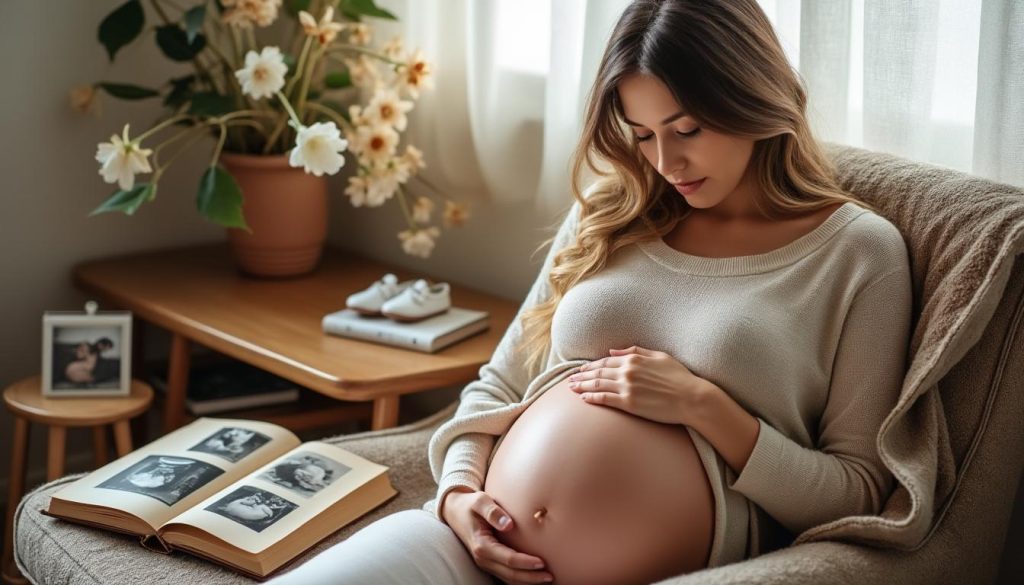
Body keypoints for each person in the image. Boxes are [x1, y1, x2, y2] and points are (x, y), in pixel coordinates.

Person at [266, 1, 912, 584]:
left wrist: (705, 406)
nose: (666, 163)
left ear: (754, 98)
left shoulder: (858, 252)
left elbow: (858, 492)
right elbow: (498, 386)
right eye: (642, 134)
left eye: (687, 130)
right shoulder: (615, 213)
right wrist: (460, 495)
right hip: (464, 551)